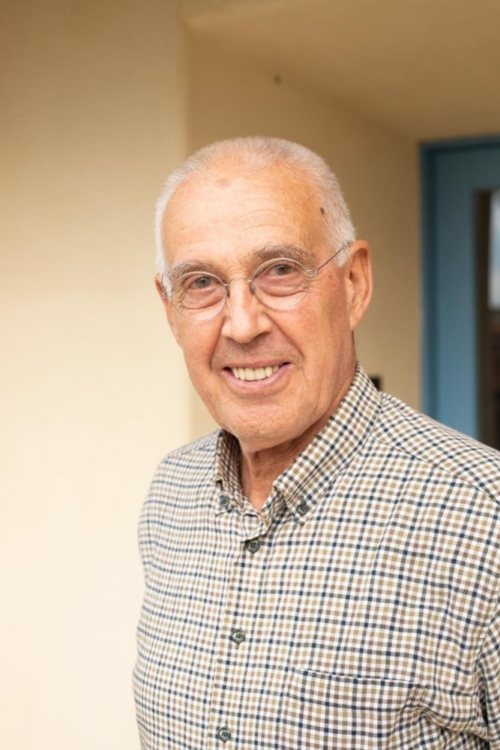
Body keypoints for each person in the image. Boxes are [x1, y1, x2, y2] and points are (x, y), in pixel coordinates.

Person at [134, 136, 500, 749]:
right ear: (171, 310)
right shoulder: (170, 498)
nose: (243, 323)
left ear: (353, 283)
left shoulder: (483, 520)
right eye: (201, 283)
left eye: (280, 271)